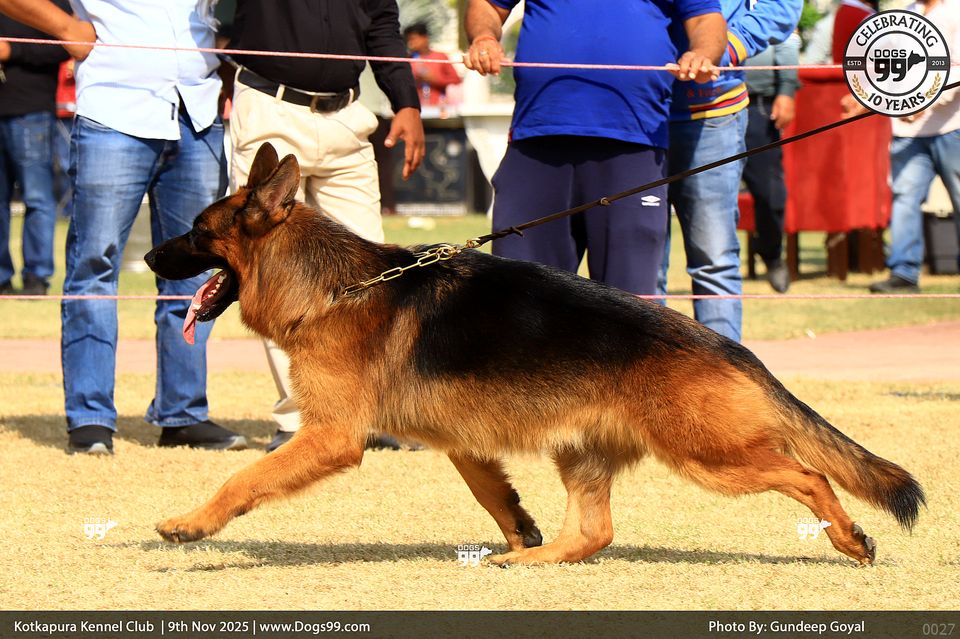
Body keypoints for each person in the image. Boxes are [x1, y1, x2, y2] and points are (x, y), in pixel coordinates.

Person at [0, 0, 246, 454]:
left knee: (192, 270)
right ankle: (90, 418)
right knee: (95, 266)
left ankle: (183, 413)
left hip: (198, 111)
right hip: (114, 110)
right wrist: (65, 26)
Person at [222, 0, 425, 452]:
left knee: (372, 268)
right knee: (269, 268)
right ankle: (299, 419)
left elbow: (382, 25)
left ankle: (367, 412)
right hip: (270, 106)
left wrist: (406, 102)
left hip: (347, 114)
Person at [464, 0, 726, 301]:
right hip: (536, 141)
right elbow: (486, 6)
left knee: (628, 305)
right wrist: (484, 37)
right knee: (520, 299)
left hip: (635, 143)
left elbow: (706, 19)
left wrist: (703, 53)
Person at [661, 0, 802, 342]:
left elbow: (782, 7)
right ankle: (644, 371)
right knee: (641, 262)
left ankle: (722, 371)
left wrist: (727, 46)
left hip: (714, 110)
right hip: (635, 110)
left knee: (714, 258)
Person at [866, 0, 960, 293]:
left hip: (952, 126)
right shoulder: (907, 15)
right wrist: (866, 98)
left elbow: (957, 71)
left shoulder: (956, 12)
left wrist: (925, 102)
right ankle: (904, 273)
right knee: (904, 198)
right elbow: (893, 70)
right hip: (908, 131)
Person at [0, 1, 69, 297]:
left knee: (37, 197)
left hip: (31, 110)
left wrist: (12, 51)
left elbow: (67, 43)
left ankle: (36, 277)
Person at [742, 33, 801, 293]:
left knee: (770, 192)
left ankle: (772, 253)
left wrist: (787, 90)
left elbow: (787, 39)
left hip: (758, 105)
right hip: (707, 103)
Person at [404, 22, 462, 108]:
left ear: (425, 38)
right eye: (408, 40)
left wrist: (435, 79)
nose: (411, 43)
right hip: (415, 106)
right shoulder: (408, 59)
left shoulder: (440, 57)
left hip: (439, 106)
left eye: (414, 39)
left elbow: (456, 80)